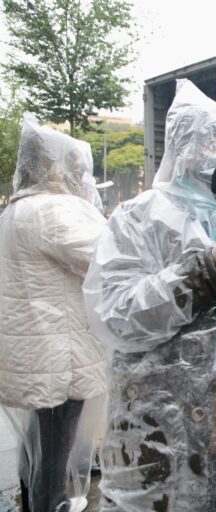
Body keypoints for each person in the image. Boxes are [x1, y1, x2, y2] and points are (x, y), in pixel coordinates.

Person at [83, 80, 216, 511]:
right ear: (189, 148)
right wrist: (206, 269)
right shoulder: (142, 217)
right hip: (166, 416)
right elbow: (117, 315)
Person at [0, 115, 107, 512]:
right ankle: (51, 502)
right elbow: (105, 257)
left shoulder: (15, 210)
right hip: (60, 354)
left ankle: (35, 498)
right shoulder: (54, 210)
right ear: (51, 165)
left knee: (38, 440)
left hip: (33, 351)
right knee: (58, 442)